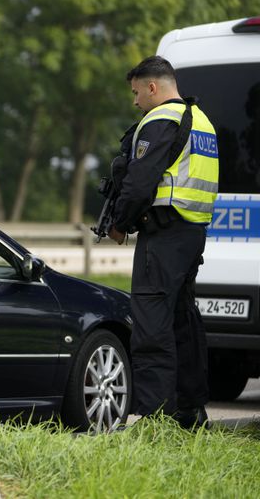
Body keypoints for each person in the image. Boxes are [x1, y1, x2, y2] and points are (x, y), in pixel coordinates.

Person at [108, 56, 219, 429]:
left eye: (137, 93)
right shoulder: (202, 121)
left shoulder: (160, 120)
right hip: (192, 234)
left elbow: (139, 183)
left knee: (151, 326)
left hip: (163, 234)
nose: (136, 102)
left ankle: (155, 418)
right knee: (183, 323)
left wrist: (120, 224)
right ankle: (191, 412)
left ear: (152, 87)